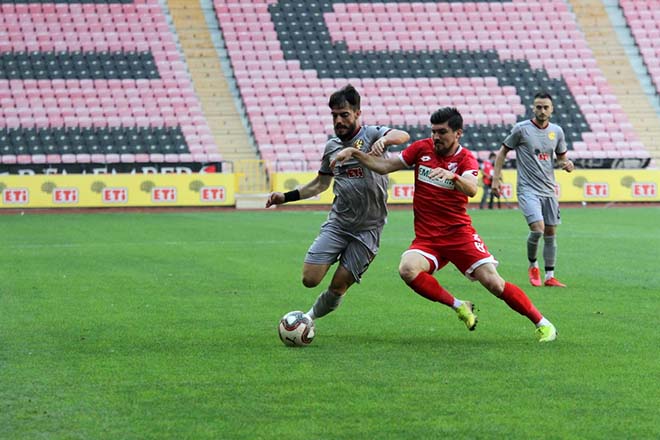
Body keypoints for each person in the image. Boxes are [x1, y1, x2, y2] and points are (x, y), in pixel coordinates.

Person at [333, 107, 557, 342]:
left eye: (442, 132)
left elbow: (471, 189)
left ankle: (544, 324)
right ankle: (459, 305)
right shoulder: (421, 149)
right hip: (428, 238)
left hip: (458, 234)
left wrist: (454, 177)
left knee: (494, 283)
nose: (436, 137)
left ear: (458, 133)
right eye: (433, 131)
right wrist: (355, 153)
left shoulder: (465, 159)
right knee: (407, 269)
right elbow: (385, 166)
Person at [266, 84, 410, 322]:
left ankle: (308, 318)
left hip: (368, 229)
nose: (339, 121)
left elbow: (402, 135)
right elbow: (320, 184)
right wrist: (285, 197)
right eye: (334, 116)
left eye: (344, 114)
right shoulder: (332, 147)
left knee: (338, 286)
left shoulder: (372, 134)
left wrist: (385, 141)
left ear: (357, 113)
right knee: (309, 279)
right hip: (339, 225)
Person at [491, 91, 574, 288]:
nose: (542, 111)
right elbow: (502, 152)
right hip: (527, 189)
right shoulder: (521, 129)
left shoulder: (557, 131)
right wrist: (496, 179)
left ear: (552, 109)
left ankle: (550, 276)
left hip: (549, 190)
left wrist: (566, 164)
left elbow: (561, 157)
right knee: (538, 229)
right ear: (533, 108)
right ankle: (533, 265)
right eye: (538, 107)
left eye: (546, 107)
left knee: (550, 233)